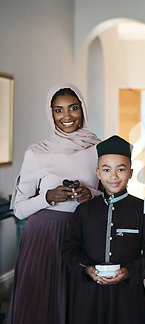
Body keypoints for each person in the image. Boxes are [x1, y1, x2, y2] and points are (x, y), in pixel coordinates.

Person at [8, 84, 101, 324]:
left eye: (73, 108)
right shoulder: (37, 153)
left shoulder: (98, 149)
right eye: (58, 110)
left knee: (79, 301)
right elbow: (18, 209)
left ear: (82, 109)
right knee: (42, 302)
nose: (67, 116)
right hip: (44, 237)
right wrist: (47, 197)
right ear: (51, 114)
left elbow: (113, 196)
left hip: (83, 235)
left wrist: (91, 193)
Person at [62, 135, 145, 324]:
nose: (113, 176)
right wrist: (87, 269)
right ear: (98, 173)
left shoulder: (143, 210)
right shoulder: (84, 211)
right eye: (106, 170)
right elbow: (69, 249)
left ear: (130, 172)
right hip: (89, 293)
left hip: (128, 295)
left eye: (121, 169)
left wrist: (129, 272)